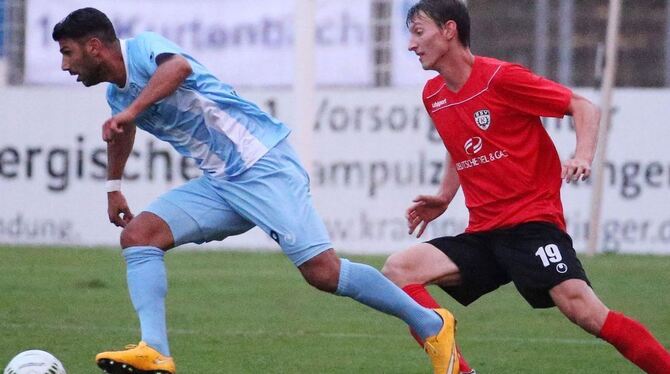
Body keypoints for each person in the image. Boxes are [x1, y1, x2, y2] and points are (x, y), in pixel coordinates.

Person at [52, 7, 461, 374]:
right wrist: (113, 187)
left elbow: (177, 69)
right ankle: (155, 350)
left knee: (322, 272)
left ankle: (432, 325)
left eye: (68, 52)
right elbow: (122, 131)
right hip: (222, 184)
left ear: (94, 47)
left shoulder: (144, 50)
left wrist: (131, 111)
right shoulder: (115, 93)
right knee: (139, 236)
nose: (65, 64)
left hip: (262, 163)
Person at [381, 1, 670, 373]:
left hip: (532, 226)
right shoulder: (433, 94)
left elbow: (584, 108)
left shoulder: (500, 78)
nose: (410, 44)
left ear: (449, 30)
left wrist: (581, 156)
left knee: (583, 310)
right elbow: (460, 143)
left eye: (419, 32)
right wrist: (445, 196)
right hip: (484, 235)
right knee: (399, 270)